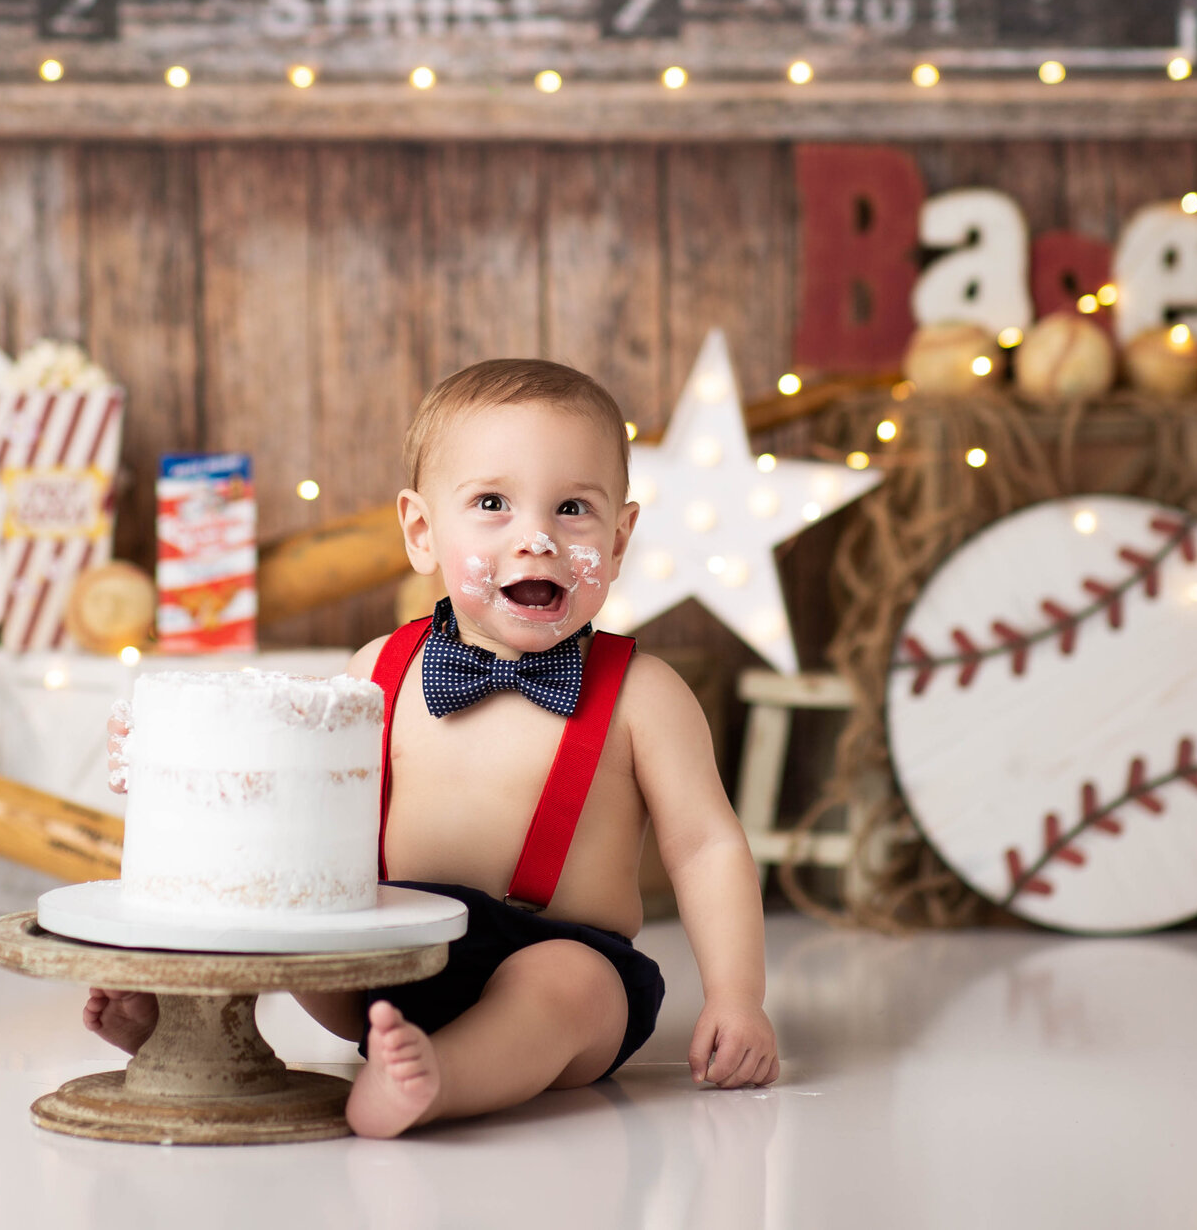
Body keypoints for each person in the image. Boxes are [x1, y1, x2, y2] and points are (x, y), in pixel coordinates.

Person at [85, 358, 779, 1137]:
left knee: (569, 988)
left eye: (573, 508)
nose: (537, 538)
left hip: (559, 953)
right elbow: (283, 789)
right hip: (386, 957)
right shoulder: (379, 669)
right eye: (492, 503)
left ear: (619, 540)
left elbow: (705, 847)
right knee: (286, 904)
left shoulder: (644, 694)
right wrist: (164, 758)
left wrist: (736, 996)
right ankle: (194, 1027)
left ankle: (437, 1079)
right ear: (422, 532)